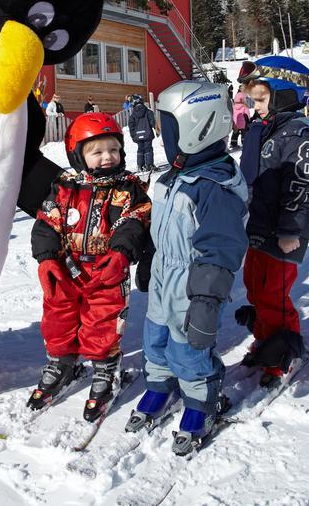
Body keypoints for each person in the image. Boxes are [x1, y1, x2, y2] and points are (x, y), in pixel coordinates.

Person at [126, 80, 248, 456]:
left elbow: (220, 250)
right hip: (166, 273)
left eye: (170, 127)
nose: (164, 136)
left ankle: (201, 400)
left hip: (194, 283)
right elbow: (158, 227)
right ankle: (160, 386)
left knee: (189, 348)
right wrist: (149, 259)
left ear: (197, 128)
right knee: (156, 337)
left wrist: (207, 302)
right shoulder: (172, 177)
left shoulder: (214, 188)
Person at [29, 113, 151, 421]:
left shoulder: (129, 189)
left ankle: (105, 370)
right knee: (58, 318)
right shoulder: (65, 187)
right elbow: (47, 223)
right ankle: (61, 362)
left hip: (108, 270)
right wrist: (46, 258)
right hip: (66, 268)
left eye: (113, 149)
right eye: (97, 151)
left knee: (103, 323)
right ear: (78, 155)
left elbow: (135, 220)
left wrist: (121, 252)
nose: (108, 157)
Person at [235, 75, 309, 388]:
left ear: (284, 97)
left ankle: (285, 351)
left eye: (260, 100)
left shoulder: (301, 134)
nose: (254, 107)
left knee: (274, 294)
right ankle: (266, 342)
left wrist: (290, 230)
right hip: (259, 225)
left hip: (285, 232)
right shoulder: (268, 130)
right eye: (252, 100)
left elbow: (303, 186)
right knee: (256, 288)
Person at [127, 94, 158, 172]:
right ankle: (149, 165)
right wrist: (156, 129)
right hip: (147, 134)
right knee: (148, 149)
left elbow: (131, 126)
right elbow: (152, 122)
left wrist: (133, 135)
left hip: (138, 135)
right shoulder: (148, 112)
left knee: (140, 150)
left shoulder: (132, 116)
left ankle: (140, 166)